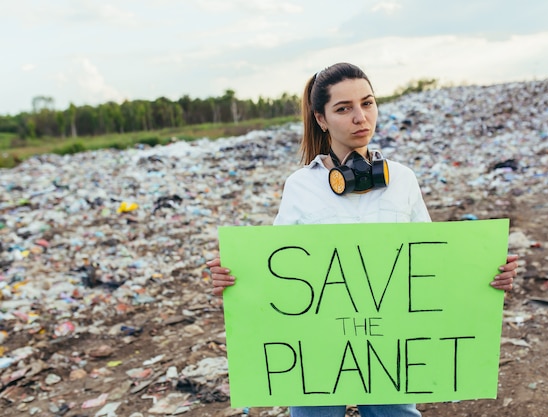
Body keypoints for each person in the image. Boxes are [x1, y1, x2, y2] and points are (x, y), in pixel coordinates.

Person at [207, 62, 519, 417]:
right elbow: (279, 270)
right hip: (318, 341)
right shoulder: (300, 186)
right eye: (344, 108)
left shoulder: (402, 179)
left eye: (367, 103)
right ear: (321, 119)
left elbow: (433, 262)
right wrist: (235, 279)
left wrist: (486, 273)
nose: (360, 117)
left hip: (391, 340)